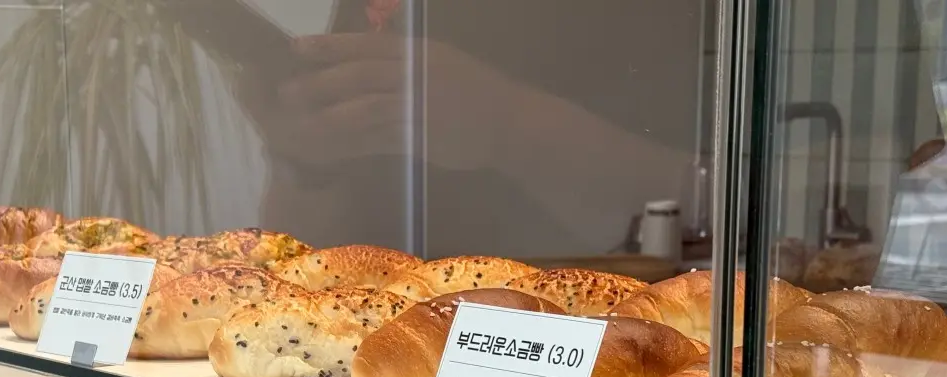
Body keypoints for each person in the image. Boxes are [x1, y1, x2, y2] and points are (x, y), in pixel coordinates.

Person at [232, 0, 704, 260]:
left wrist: (508, 124)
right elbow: (313, 250)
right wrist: (303, 162)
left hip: (580, 341)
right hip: (388, 349)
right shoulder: (374, 14)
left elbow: (715, 209)